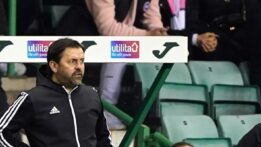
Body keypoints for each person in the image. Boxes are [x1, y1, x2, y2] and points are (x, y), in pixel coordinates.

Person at [83, 0, 218, 129]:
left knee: (156, 51)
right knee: (122, 50)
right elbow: (108, 29)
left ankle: (162, 116)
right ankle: (107, 111)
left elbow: (152, 18)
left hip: (121, 37)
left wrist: (159, 33)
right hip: (82, 39)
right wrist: (148, 34)